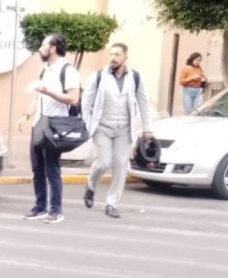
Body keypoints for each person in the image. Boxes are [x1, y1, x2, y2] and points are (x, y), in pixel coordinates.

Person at [81, 43, 154, 219]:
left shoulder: (135, 77)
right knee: (104, 162)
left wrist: (147, 129)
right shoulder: (98, 76)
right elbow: (86, 102)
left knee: (121, 165)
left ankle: (112, 203)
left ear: (125, 57)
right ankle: (91, 185)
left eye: (117, 54)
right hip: (102, 127)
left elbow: (143, 103)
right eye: (111, 54)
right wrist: (85, 124)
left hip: (124, 129)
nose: (113, 57)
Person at [16, 33, 81, 225]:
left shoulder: (68, 70)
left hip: (55, 126)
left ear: (53, 48)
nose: (40, 48)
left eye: (44, 44)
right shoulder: (43, 70)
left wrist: (49, 91)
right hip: (39, 125)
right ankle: (40, 207)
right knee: (37, 169)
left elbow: (73, 98)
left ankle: (56, 210)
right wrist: (26, 116)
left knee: (52, 169)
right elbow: (37, 97)